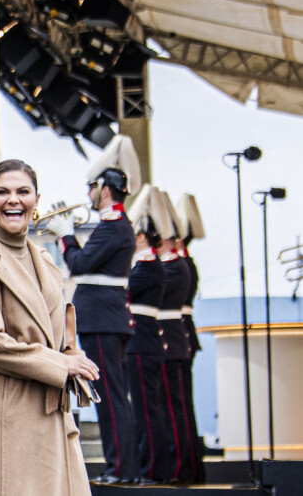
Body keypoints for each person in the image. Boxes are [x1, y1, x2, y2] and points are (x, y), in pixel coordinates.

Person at [0, 159, 98, 496]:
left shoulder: (44, 258)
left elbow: (57, 329)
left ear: (36, 199)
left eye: (23, 191)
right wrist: (61, 364)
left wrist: (72, 356)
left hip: (48, 409)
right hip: (3, 409)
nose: (13, 199)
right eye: (3, 192)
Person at [46, 135, 141, 485]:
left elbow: (79, 263)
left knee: (111, 397)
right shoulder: (113, 225)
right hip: (106, 316)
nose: (87, 194)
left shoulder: (114, 226)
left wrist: (65, 235)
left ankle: (122, 469)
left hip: (103, 317)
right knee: (113, 395)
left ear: (103, 189)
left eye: (91, 187)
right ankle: (122, 468)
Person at [125, 184, 171, 485]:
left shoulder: (147, 267)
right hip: (143, 341)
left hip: (143, 343)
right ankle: (152, 467)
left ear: (141, 235)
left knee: (147, 411)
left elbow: (127, 292)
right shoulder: (145, 265)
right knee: (146, 409)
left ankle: (152, 469)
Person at [156, 191, 194, 483]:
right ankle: (184, 466)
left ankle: (182, 468)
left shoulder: (172, 265)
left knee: (174, 409)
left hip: (171, 338)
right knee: (175, 408)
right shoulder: (176, 263)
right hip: (173, 337)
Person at [176, 193, 207, 483]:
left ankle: (188, 465)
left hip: (178, 332)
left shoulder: (181, 263)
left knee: (180, 404)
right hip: (181, 332)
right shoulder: (186, 261)